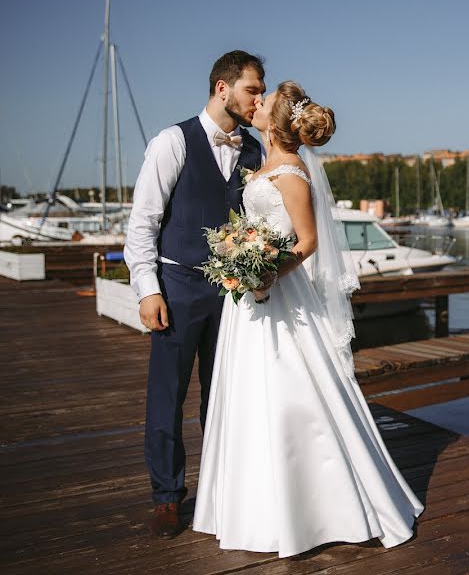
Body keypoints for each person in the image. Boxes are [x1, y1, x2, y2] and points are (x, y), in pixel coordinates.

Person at [192, 81, 424, 558]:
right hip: (253, 299)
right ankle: (249, 505)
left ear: (275, 124)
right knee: (250, 391)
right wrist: (240, 256)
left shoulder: (292, 173)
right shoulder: (268, 166)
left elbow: (307, 240)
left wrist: (265, 275)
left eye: (264, 102)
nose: (255, 105)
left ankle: (313, 508)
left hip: (279, 293)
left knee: (289, 390)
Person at [124, 51, 265, 538]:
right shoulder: (172, 141)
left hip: (233, 294)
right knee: (167, 397)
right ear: (223, 88)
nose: (259, 100)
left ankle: (221, 488)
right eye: (253, 89)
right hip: (178, 286)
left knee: (224, 396)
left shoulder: (254, 151)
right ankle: (167, 496)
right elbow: (142, 222)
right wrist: (147, 290)